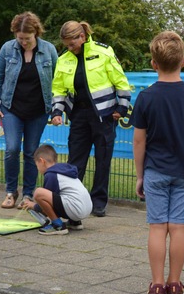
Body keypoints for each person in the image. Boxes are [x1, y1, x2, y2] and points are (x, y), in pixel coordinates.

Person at [132, 31, 184, 294]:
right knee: (179, 227)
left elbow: (139, 140)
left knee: (157, 228)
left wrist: (140, 175)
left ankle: (157, 285)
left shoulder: (145, 97)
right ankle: (175, 285)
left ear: (153, 63)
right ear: (183, 61)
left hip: (155, 171)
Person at [50, 20, 131, 217]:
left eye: (72, 44)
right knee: (76, 161)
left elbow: (120, 81)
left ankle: (99, 201)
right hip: (78, 116)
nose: (69, 48)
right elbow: (59, 89)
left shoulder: (104, 52)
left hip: (104, 115)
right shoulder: (63, 59)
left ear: (82, 37)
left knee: (103, 160)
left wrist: (122, 107)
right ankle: (73, 199)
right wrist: (56, 112)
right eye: (66, 45)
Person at [0, 12, 57, 209]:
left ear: (36, 33)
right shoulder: (7, 49)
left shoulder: (49, 50)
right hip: (11, 108)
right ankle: (11, 192)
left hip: (38, 111)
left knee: (31, 152)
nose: (23, 42)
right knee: (11, 149)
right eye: (19, 38)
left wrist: (56, 109)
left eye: (27, 38)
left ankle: (28, 194)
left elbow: (58, 80)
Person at [22, 144, 92, 235]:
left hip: (76, 210)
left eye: (37, 165)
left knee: (38, 193)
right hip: (86, 208)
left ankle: (57, 225)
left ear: (41, 161)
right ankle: (75, 222)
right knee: (66, 195)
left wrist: (33, 206)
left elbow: (47, 207)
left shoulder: (51, 175)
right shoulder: (63, 171)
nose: (38, 169)